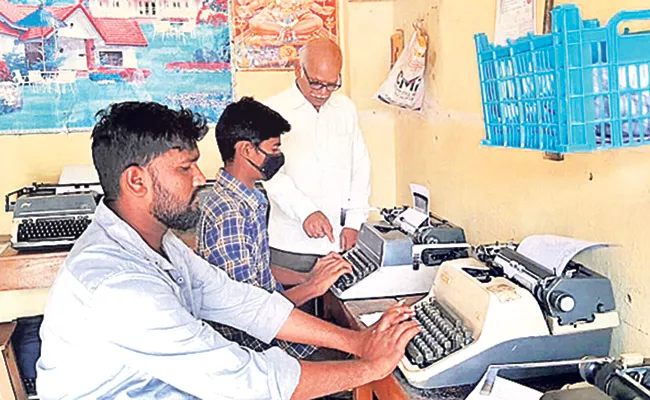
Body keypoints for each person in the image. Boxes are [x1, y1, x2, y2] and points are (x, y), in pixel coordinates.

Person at [36, 101, 419, 399]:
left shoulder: (159, 242)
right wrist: (371, 367)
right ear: (137, 181)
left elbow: (242, 301)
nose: (201, 179)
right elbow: (243, 381)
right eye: (186, 169)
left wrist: (358, 342)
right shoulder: (120, 288)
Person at [197, 97, 352, 360]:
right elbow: (248, 314)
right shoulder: (229, 213)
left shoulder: (248, 197)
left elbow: (258, 268)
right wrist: (314, 287)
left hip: (267, 332)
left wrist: (306, 277)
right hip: (253, 349)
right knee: (357, 357)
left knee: (347, 341)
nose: (278, 157)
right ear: (246, 150)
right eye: (274, 149)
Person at [263, 37, 371, 278]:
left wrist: (354, 222)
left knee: (337, 314)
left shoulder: (345, 109)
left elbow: (360, 168)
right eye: (316, 83)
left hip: (340, 243)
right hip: (291, 246)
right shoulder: (271, 110)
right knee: (293, 312)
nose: (324, 93)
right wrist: (305, 211)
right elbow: (269, 174)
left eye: (332, 85)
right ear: (297, 69)